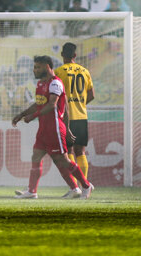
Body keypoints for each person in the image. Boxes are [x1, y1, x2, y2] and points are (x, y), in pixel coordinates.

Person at [12, 55, 93, 199]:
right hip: (43, 129)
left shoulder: (55, 83)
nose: (34, 70)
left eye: (37, 67)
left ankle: (86, 186)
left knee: (63, 160)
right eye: (34, 67)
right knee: (36, 156)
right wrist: (21, 114)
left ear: (47, 67)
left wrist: (32, 116)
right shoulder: (40, 84)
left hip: (54, 129)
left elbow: (51, 105)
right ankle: (32, 191)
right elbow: (39, 104)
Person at [54, 43, 95, 183]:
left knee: (68, 152)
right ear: (75, 55)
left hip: (66, 117)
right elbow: (91, 95)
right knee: (81, 152)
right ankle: (85, 186)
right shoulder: (85, 71)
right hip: (82, 116)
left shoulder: (59, 72)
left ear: (62, 54)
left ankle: (75, 187)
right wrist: (80, 104)